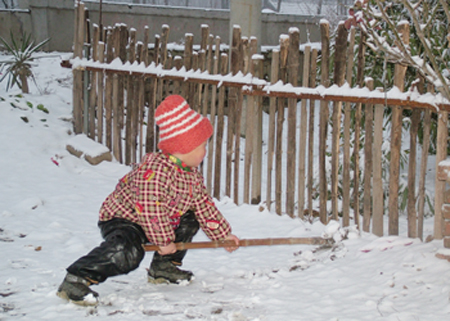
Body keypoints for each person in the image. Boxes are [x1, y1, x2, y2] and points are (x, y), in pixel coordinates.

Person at [57, 95, 240, 306]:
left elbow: (204, 206)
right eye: (202, 146)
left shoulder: (190, 174)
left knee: (190, 218)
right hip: (125, 219)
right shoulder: (154, 172)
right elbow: (150, 210)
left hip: (159, 222)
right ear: (184, 148)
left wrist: (223, 234)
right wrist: (163, 241)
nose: (205, 152)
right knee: (127, 253)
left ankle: (163, 267)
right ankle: (76, 278)